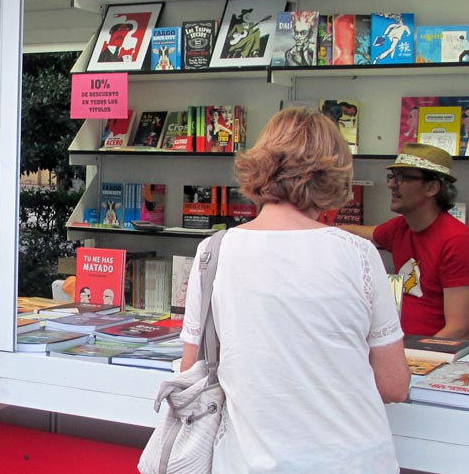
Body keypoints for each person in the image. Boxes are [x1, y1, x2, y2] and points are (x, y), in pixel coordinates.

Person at [180, 107, 409, 473]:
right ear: (334, 173)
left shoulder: (214, 252)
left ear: (261, 164)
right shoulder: (359, 254)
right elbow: (394, 385)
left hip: (250, 461)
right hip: (353, 461)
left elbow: (192, 369)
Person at [341, 143, 469, 338]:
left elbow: (458, 328)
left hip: (430, 357)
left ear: (432, 187)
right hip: (398, 347)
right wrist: (311, 228)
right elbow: (357, 233)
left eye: (403, 178)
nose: (391, 185)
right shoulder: (400, 228)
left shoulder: (457, 241)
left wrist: (413, 357)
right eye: (392, 177)